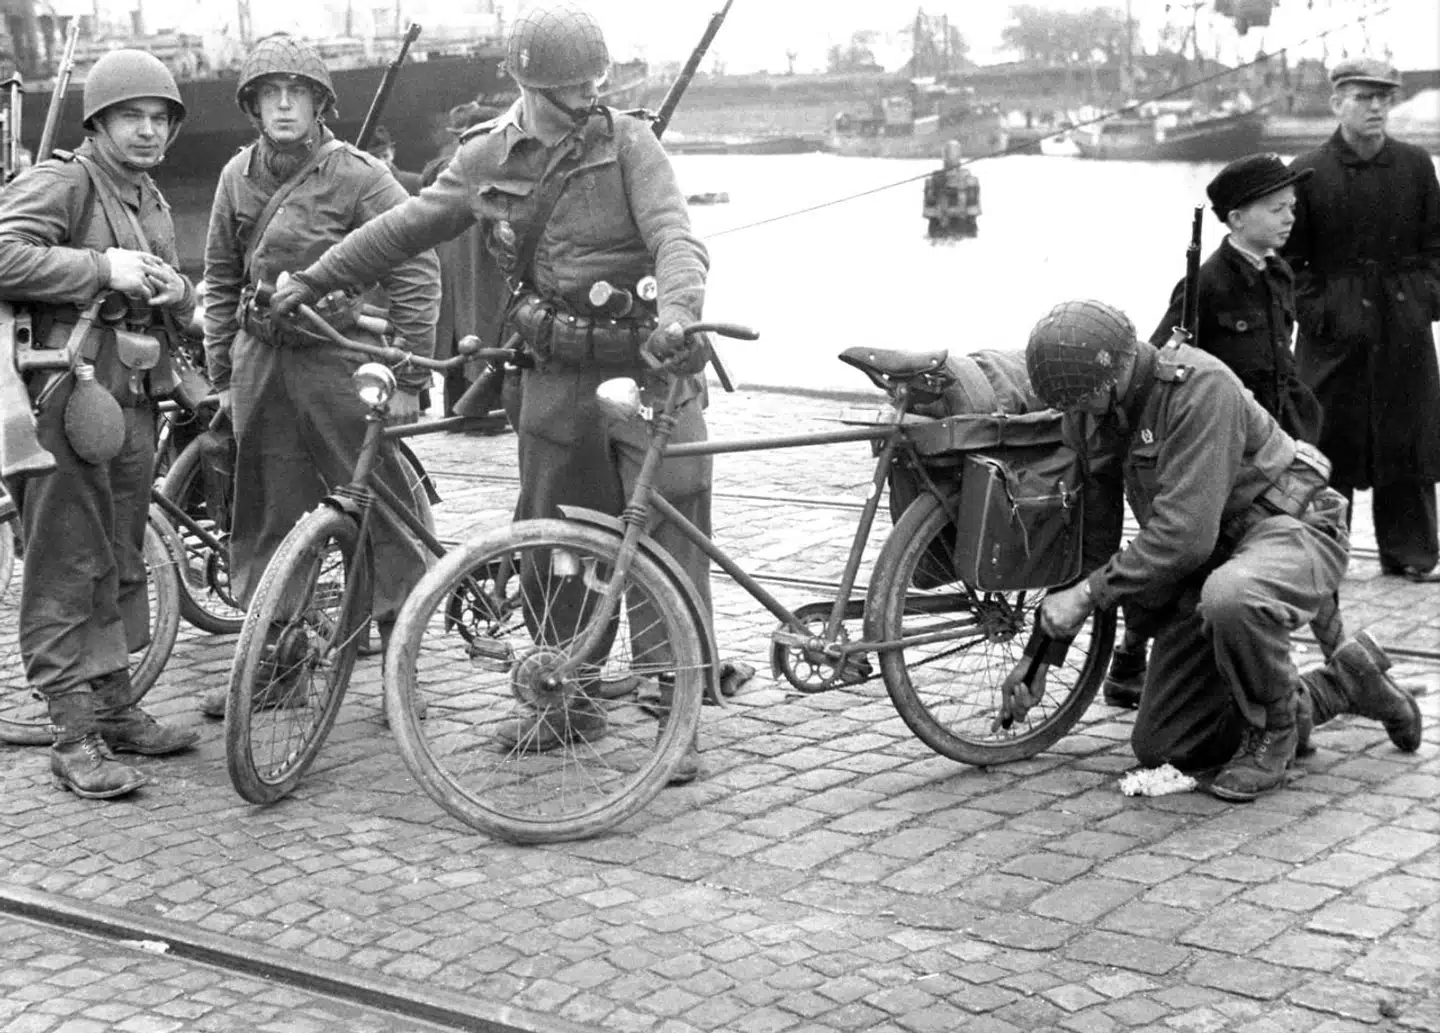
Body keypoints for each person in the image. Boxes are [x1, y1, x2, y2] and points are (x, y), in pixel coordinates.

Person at [268, 0, 714, 783]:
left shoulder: (631, 143)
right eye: (570, 88)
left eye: (595, 83)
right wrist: (311, 278)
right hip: (553, 370)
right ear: (526, 84)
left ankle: (674, 702)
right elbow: (401, 231)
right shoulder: (484, 160)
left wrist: (679, 314)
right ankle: (561, 695)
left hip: (651, 363)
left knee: (669, 523)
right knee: (552, 535)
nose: (587, 99)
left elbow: (677, 235)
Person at [1025, 299, 1422, 802]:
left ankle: (1274, 731)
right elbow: (1095, 547)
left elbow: (1182, 538)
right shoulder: (1091, 410)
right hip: (1211, 558)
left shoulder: (1200, 387)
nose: (1077, 415)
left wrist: (1087, 596)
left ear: (1118, 369)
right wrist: (1041, 654)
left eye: (1083, 400)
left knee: (1231, 597)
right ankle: (1344, 685)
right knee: (1166, 744)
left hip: (1288, 529)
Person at [197, 33, 440, 719]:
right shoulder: (235, 178)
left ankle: (400, 669)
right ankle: (281, 666)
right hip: (262, 364)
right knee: (270, 513)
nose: (282, 106)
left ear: (318, 104)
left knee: (382, 512)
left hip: (338, 363)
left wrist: (412, 375)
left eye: (295, 94)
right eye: (269, 95)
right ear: (251, 106)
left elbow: (417, 264)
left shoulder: (359, 176)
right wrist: (222, 372)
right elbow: (219, 280)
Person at [0, 49, 201, 798]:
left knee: (118, 555)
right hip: (66, 399)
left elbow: (158, 293)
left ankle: (115, 706)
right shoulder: (62, 181)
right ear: (99, 122)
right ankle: (71, 731)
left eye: (159, 119)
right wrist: (99, 268)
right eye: (132, 117)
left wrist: (178, 291)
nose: (148, 131)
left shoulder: (145, 194)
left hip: (133, 400)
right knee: (65, 561)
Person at [1104, 153, 1328, 708]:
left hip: (1274, 438)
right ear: (1235, 217)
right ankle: (1130, 658)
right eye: (1276, 209)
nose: (1289, 219)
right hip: (1216, 450)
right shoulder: (1207, 283)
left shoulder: (1278, 275)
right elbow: (1163, 361)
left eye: (1292, 208)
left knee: (1294, 547)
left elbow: (1282, 362)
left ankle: (1319, 660)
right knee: (1182, 557)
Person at [1282, 57, 1440, 583]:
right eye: (1363, 98)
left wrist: (1423, 300)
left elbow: (1436, 246)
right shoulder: (1306, 169)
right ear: (1337, 104)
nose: (1376, 108)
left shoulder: (1417, 165)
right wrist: (1322, 311)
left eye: (1384, 99)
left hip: (1403, 325)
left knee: (1409, 439)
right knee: (1326, 441)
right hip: (1332, 334)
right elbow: (1288, 263)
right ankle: (1324, 556)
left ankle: (1413, 555)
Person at [420, 101, 509, 418]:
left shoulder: (440, 172)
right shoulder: (496, 171)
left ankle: (461, 413)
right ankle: (482, 413)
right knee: (488, 337)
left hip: (454, 277)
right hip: (486, 276)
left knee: (461, 341)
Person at [364, 124, 423, 195]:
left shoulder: (415, 182)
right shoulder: (360, 188)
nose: (381, 162)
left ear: (392, 152)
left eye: (385, 156)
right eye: (375, 158)